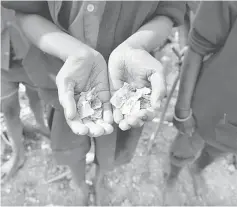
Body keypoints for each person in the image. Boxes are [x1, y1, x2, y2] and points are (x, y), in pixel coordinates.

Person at [2, 1, 186, 205]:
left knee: (112, 145)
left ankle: (99, 179)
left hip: (126, 80)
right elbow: (26, 13)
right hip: (63, 83)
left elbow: (168, 11)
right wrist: (74, 52)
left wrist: (137, 45)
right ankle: (80, 183)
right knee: (70, 143)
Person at [165, 1, 237, 204]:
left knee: (216, 152)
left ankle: (197, 170)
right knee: (184, 148)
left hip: (233, 135)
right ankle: (172, 177)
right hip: (204, 110)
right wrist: (182, 110)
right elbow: (198, 46)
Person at [1, 6, 50, 185]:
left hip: (31, 54)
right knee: (9, 111)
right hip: (1, 63)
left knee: (37, 97)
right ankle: (18, 155)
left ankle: (42, 127)